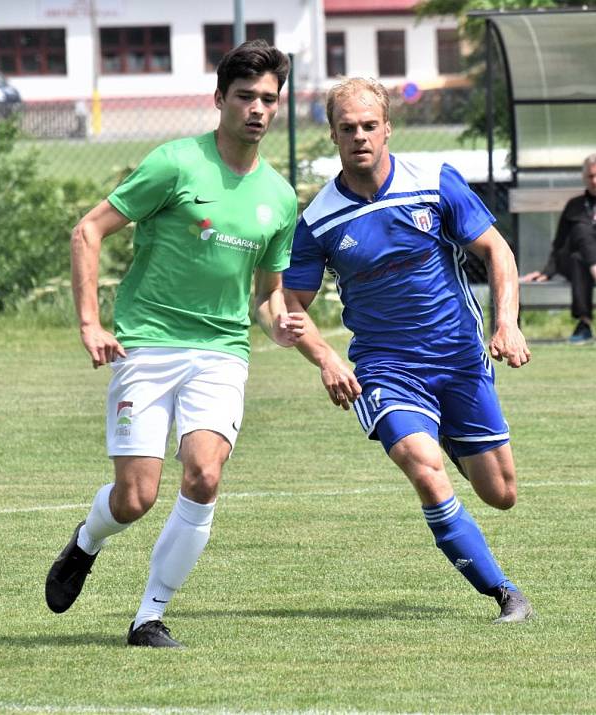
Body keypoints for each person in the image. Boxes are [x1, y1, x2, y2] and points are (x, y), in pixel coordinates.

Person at [44, 40, 304, 648]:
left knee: (204, 477)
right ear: (220, 99)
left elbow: (266, 297)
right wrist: (90, 324)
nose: (258, 110)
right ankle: (87, 541)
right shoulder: (175, 164)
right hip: (149, 346)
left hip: (220, 352)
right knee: (135, 498)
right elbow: (88, 230)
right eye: (245, 97)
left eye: (269, 99)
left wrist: (279, 324)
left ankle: (149, 616)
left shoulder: (281, 198)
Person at [283, 77, 534, 624]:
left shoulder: (433, 182)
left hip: (459, 358)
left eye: (369, 125)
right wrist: (327, 358)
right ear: (332, 135)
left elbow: (496, 249)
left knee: (501, 493)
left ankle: (442, 431)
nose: (359, 137)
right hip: (385, 369)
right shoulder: (319, 219)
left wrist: (507, 323)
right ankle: (505, 594)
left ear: (387, 127)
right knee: (425, 472)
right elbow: (291, 304)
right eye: (347, 128)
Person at [522, 153, 596, 342]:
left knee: (579, 256)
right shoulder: (574, 205)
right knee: (579, 236)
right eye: (590, 176)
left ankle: (584, 324)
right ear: (584, 177)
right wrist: (547, 271)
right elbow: (560, 242)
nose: (595, 181)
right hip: (573, 264)